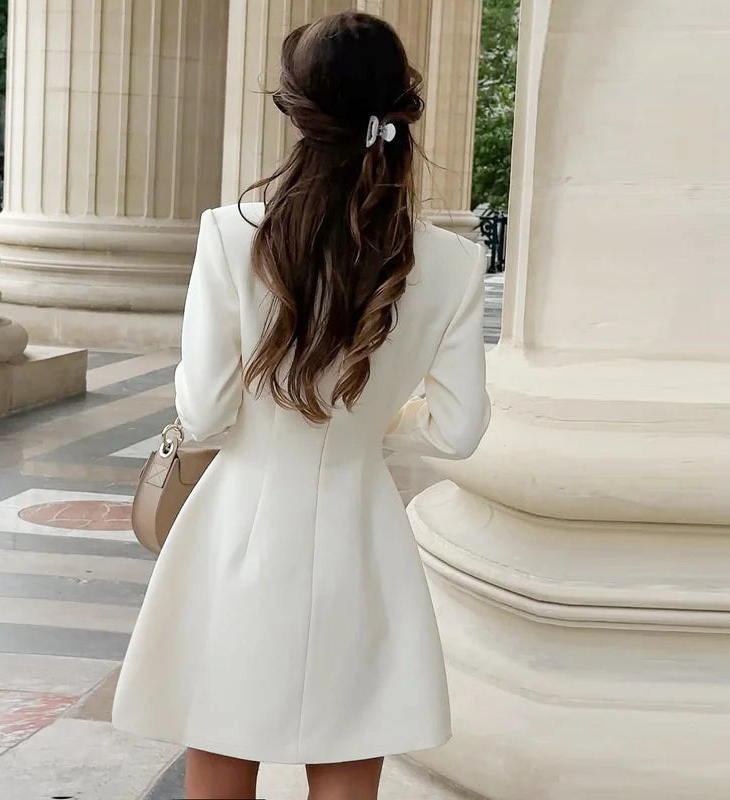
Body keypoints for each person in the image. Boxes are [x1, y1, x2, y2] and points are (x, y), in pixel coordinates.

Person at [112, 10, 490, 800]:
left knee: (222, 746)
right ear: (401, 110)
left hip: (239, 528)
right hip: (364, 534)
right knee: (352, 747)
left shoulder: (230, 236)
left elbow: (209, 414)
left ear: (296, 110)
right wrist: (381, 420)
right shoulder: (452, 262)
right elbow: (459, 432)